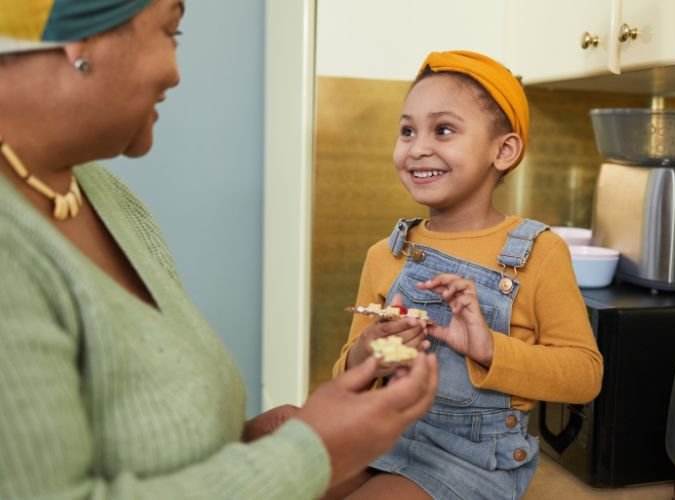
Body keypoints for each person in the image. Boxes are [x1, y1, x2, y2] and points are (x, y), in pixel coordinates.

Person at [0, 2, 439, 499]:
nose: (176, 71)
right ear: (80, 41)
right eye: (171, 31)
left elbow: (134, 438)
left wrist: (249, 443)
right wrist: (313, 451)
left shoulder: (102, 194)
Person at [331, 50, 604, 499]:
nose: (417, 147)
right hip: (384, 437)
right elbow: (348, 377)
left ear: (504, 150)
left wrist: (486, 347)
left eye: (442, 129)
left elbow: (584, 375)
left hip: (474, 463)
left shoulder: (538, 253)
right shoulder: (385, 254)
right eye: (406, 130)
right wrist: (371, 351)